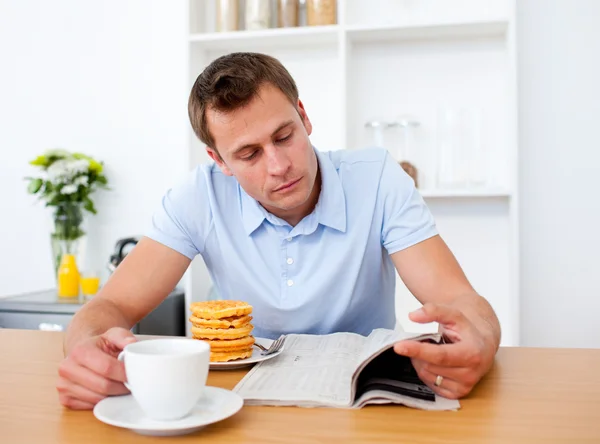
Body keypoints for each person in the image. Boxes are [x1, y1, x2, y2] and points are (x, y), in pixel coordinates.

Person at [56, 52, 501, 410]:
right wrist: (86, 352)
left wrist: (478, 340)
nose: (279, 166)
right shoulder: (198, 196)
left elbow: (462, 302)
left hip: (363, 400)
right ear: (219, 162)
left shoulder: (379, 177)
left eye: (284, 136)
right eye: (248, 154)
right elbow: (109, 306)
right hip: (240, 404)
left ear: (304, 117)